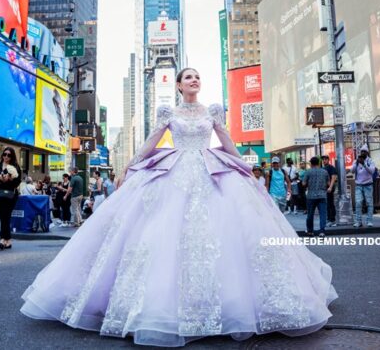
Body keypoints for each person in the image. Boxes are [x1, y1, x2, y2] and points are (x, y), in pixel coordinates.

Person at [21, 67, 336, 346]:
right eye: (189, 77)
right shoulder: (167, 113)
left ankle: (230, 303)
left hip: (210, 168)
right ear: (179, 86)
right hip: (174, 171)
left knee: (225, 232)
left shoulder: (212, 111)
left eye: (198, 76)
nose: (195, 80)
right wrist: (131, 164)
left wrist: (246, 171)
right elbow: (152, 141)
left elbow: (226, 142)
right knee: (162, 232)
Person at [0, 147, 22, 250]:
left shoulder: (15, 166)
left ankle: (3, 240)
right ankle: (8, 240)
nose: (6, 156)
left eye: (9, 155)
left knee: (6, 216)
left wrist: (10, 179)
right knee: (3, 217)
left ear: (12, 156)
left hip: (11, 195)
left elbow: (18, 182)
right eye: (4, 154)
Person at [301, 157, 329, 237]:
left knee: (310, 214)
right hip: (322, 195)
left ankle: (310, 231)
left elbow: (303, 183)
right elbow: (328, 183)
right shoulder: (325, 172)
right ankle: (322, 231)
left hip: (311, 196)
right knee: (323, 214)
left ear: (311, 163)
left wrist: (308, 184)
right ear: (318, 163)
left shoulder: (308, 172)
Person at [350, 148, 376, 228]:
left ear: (367, 152)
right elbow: (352, 171)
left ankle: (369, 221)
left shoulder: (370, 161)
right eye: (362, 152)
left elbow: (372, 171)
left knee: (369, 203)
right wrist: (356, 163)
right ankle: (358, 222)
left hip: (368, 185)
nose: (363, 153)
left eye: (364, 151)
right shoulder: (356, 161)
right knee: (358, 203)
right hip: (358, 185)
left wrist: (364, 164)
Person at [321, 155, 338, 227]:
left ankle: (332, 220)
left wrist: (330, 187)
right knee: (326, 204)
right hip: (324, 188)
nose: (324, 160)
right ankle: (328, 219)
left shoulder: (331, 168)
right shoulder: (322, 168)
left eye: (325, 159)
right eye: (323, 159)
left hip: (329, 188)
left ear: (328, 160)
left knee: (330, 204)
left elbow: (333, 178)